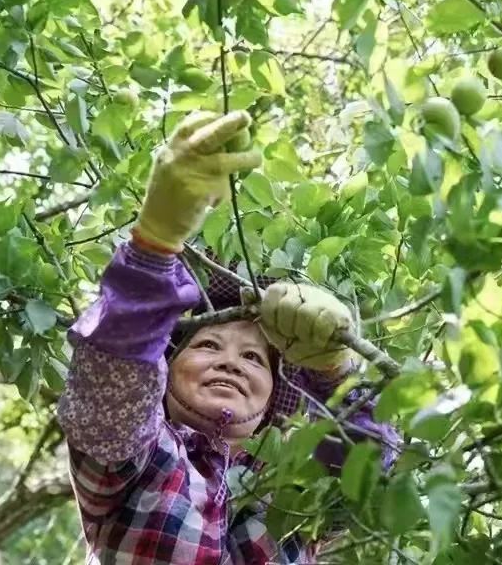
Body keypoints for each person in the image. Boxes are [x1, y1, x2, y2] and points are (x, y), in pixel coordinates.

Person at [57, 110, 398, 564]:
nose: (231, 361)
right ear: (166, 375)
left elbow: (367, 474)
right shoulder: (138, 460)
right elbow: (109, 395)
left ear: (275, 396)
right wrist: (153, 247)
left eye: (256, 359)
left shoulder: (291, 488)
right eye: (207, 345)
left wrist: (335, 371)